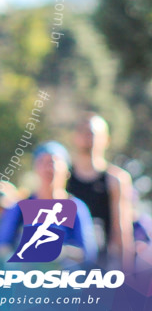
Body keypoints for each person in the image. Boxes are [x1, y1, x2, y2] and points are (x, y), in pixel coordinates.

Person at [0, 141, 97, 269]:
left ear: (67, 171)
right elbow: (2, 246)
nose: (49, 168)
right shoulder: (20, 208)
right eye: (42, 162)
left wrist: (60, 252)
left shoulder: (76, 208)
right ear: (35, 169)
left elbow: (88, 253)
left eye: (54, 162)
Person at [68, 112, 135, 270]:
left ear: (106, 140)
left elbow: (122, 229)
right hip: (68, 265)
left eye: (93, 133)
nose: (88, 137)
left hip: (102, 264)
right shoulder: (63, 178)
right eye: (83, 132)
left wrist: (127, 274)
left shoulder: (115, 179)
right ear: (75, 137)